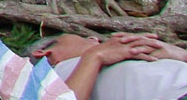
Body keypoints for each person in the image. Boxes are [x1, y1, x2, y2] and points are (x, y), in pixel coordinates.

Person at [28, 32, 187, 100]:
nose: (93, 38)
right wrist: (94, 56)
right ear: (43, 52)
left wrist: (181, 55)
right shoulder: (54, 77)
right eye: (83, 38)